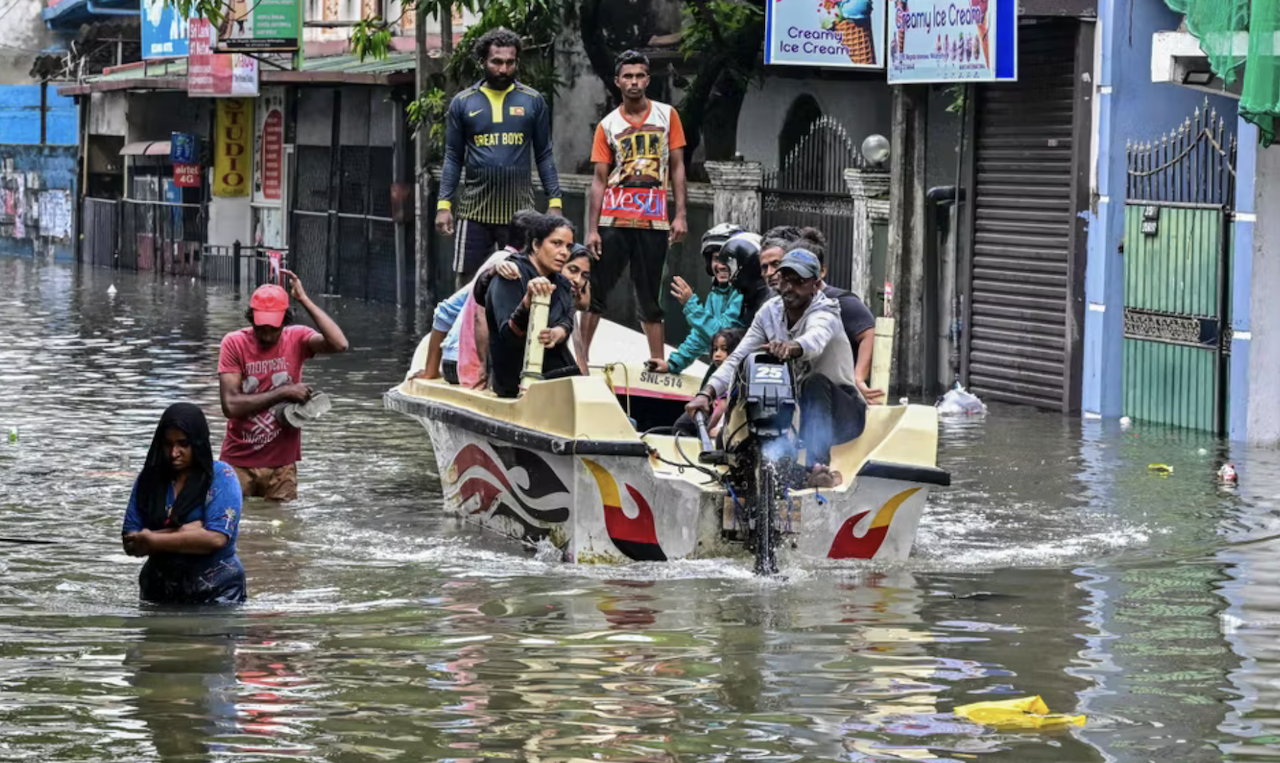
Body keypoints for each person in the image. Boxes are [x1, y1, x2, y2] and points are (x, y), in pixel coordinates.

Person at [685, 249, 865, 488]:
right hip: (796, 412)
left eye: (799, 281)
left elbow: (815, 340)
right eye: (786, 279)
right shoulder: (769, 312)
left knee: (814, 382)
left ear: (815, 284)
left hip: (841, 413)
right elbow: (738, 357)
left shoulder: (827, 310)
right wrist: (706, 393)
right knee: (752, 380)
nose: (790, 287)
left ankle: (818, 468)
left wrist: (792, 347)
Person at [581, 49, 689, 366]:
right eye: (627, 76)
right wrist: (591, 229)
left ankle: (656, 360)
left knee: (649, 293)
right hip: (614, 217)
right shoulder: (608, 125)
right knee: (597, 289)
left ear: (647, 79)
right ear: (617, 81)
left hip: (654, 219)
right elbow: (599, 179)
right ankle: (581, 359)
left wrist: (680, 213)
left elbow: (678, 166)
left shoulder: (667, 116)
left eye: (640, 75)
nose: (634, 82)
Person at [436, 27, 563, 287]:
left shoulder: (533, 101)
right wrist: (443, 206)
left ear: (517, 62)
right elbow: (452, 157)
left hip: (520, 213)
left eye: (509, 62)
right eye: (496, 62)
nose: (503, 69)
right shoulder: (463, 102)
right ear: (483, 61)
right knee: (467, 286)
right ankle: (465, 329)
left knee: (524, 280)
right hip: (474, 212)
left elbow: (544, 154)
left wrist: (555, 201)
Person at [218, 273, 349, 502]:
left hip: (282, 465)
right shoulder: (234, 343)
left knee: (282, 531)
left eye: (274, 328)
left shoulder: (297, 338)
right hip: (239, 461)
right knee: (236, 527)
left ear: (285, 322)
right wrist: (284, 392)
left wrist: (304, 300)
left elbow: (339, 344)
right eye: (261, 328)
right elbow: (230, 405)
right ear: (252, 319)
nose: (267, 335)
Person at [122, 403, 246, 605]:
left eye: (183, 444)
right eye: (168, 444)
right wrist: (188, 531)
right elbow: (130, 542)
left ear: (197, 443)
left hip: (218, 590)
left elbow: (215, 539)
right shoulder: (149, 480)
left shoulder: (221, 476)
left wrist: (153, 539)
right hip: (158, 590)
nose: (174, 453)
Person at [485, 214, 581, 398]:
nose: (564, 252)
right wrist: (527, 302)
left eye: (568, 247)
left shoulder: (562, 283)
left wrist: (556, 334)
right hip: (517, 383)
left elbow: (567, 321)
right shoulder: (511, 274)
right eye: (556, 243)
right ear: (536, 245)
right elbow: (508, 336)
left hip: (557, 375)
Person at [787, 230, 883, 403]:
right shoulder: (779, 305)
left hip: (834, 391)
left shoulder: (837, 302)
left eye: (801, 277)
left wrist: (858, 377)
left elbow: (868, 331)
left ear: (821, 272)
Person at [646, 224, 746, 374]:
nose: (721, 266)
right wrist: (673, 364)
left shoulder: (743, 293)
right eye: (717, 259)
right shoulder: (717, 293)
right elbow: (701, 336)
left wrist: (691, 305)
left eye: (728, 259)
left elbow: (722, 336)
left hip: (743, 370)